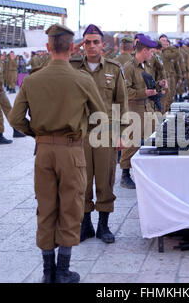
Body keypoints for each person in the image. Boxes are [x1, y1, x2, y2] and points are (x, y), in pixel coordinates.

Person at [8, 23, 107, 283]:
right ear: (73, 48)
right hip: (72, 150)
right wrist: (82, 130)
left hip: (43, 151)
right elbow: (100, 116)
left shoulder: (32, 79)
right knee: (71, 206)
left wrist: (38, 134)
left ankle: (46, 271)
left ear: (48, 47)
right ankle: (63, 270)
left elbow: (15, 119)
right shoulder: (82, 79)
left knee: (46, 207)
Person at [70, 24, 128, 244]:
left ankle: (104, 225)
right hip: (80, 133)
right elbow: (51, 66)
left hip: (106, 131)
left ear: (103, 45)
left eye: (96, 42)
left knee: (105, 178)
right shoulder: (73, 66)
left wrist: (120, 133)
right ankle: (86, 225)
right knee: (81, 180)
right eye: (87, 42)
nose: (91, 46)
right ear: (81, 44)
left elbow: (121, 102)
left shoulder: (113, 69)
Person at [120, 35, 159, 189]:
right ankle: (125, 174)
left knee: (150, 140)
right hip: (133, 108)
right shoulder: (129, 67)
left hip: (147, 107)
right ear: (144, 50)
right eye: (150, 51)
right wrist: (145, 93)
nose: (152, 54)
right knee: (132, 142)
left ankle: (145, 172)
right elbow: (126, 91)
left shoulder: (146, 66)